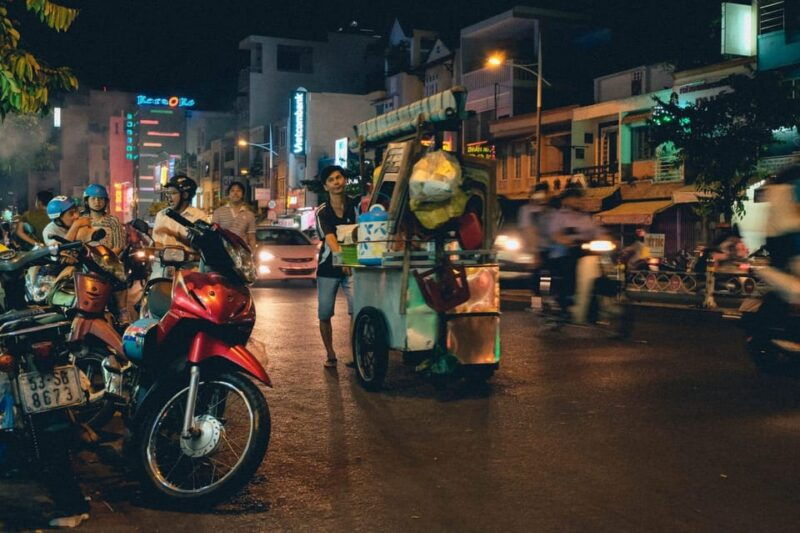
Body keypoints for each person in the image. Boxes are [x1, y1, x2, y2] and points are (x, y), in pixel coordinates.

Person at [315, 165, 358, 368]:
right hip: (328, 268)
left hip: (352, 264)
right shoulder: (322, 211)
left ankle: (354, 352)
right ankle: (330, 353)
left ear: (345, 180)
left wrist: (349, 262)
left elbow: (359, 234)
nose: (336, 182)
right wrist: (343, 260)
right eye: (331, 180)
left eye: (339, 177)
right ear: (326, 186)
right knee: (325, 313)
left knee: (356, 309)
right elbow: (330, 239)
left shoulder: (355, 206)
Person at [545, 183, 597, 321]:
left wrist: (608, 239)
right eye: (574, 198)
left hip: (585, 253)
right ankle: (568, 298)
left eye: (579, 198)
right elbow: (556, 234)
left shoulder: (586, 217)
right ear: (566, 200)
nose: (577, 201)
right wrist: (567, 241)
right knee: (570, 267)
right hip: (563, 254)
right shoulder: (559, 216)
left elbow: (596, 232)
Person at [152, 175, 209, 278]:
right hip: (163, 269)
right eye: (168, 193)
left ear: (185, 195)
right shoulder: (161, 215)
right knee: (151, 291)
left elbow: (204, 249)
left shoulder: (199, 217)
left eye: (173, 193)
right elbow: (158, 243)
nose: (169, 197)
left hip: (189, 270)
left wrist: (190, 256)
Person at [82, 184, 125, 255]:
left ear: (106, 201)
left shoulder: (113, 221)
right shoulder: (81, 220)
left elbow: (119, 246)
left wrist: (107, 259)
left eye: (101, 199)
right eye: (93, 198)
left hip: (108, 262)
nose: (97, 202)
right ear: (87, 201)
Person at [212, 181, 256, 249]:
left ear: (243, 195)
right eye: (232, 191)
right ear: (229, 194)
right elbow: (213, 234)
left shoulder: (249, 215)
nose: (235, 193)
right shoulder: (218, 212)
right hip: (223, 252)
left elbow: (251, 237)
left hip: (242, 253)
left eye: (238, 191)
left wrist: (253, 253)